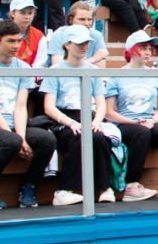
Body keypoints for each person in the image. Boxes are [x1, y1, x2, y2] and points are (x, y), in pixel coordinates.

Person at [0, 19, 56, 210]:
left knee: (47, 139)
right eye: (10, 41)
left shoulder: (24, 68)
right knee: (12, 141)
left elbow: (20, 106)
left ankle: (29, 186)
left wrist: (22, 137)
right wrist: (17, 138)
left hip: (16, 126)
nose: (16, 46)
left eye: (18, 41)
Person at [35, 27, 124, 207]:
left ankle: (105, 187)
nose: (84, 47)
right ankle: (64, 190)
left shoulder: (92, 70)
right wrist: (70, 122)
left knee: (100, 138)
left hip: (88, 115)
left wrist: (97, 121)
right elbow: (49, 107)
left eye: (86, 43)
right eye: (79, 43)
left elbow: (100, 102)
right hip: (63, 117)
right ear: (67, 45)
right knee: (79, 137)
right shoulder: (55, 70)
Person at [105, 30, 158, 200]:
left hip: (148, 121)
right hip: (125, 123)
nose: (148, 52)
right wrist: (132, 122)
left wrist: (152, 120)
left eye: (150, 48)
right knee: (141, 133)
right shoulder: (116, 76)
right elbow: (109, 112)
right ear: (131, 50)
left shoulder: (155, 75)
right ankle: (131, 185)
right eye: (143, 48)